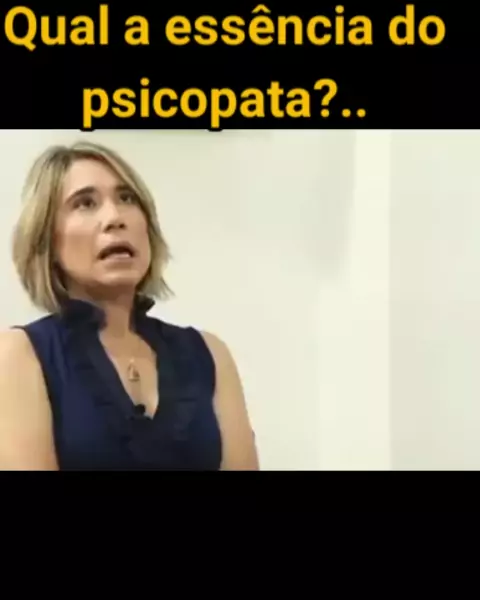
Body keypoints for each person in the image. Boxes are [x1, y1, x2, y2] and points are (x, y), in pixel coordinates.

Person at [0, 140, 259, 470]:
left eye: (127, 199)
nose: (115, 217)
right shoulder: (19, 355)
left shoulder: (210, 355)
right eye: (85, 203)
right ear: (47, 239)